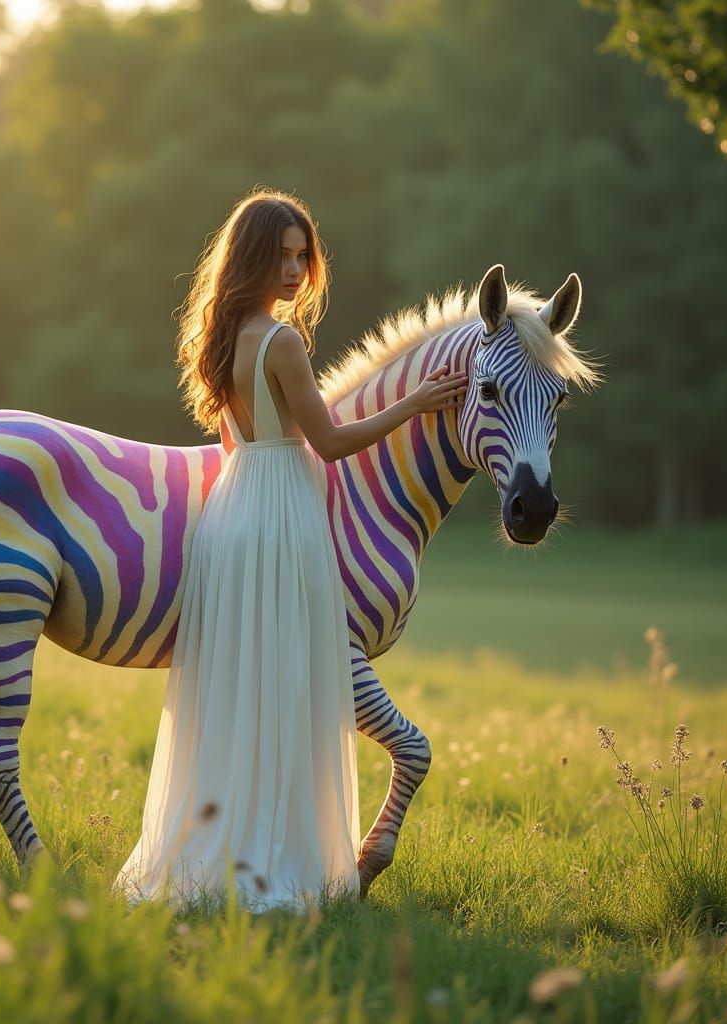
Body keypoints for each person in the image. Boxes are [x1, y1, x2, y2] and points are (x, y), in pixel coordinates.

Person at [112, 188, 467, 912]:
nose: (296, 269)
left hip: (235, 508)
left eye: (304, 255)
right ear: (251, 257)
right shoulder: (282, 342)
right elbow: (331, 444)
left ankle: (214, 852)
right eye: (281, 255)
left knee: (237, 691)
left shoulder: (221, 336)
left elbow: (236, 441)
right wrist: (412, 404)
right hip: (280, 515)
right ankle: (274, 861)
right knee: (286, 690)